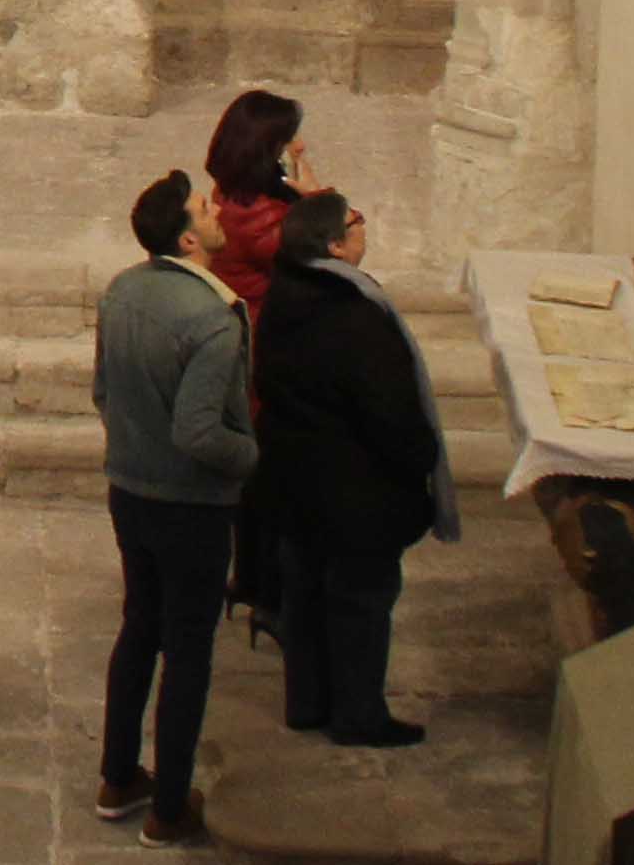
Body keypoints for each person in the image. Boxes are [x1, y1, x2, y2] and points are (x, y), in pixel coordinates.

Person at [254, 191, 457, 746]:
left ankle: (307, 703)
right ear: (336, 245)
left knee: (306, 596)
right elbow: (390, 412)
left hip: (296, 481)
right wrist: (421, 460)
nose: (364, 227)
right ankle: (357, 715)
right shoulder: (354, 316)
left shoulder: (285, 297)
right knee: (359, 605)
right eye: (356, 222)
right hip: (355, 494)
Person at [97, 169, 259, 845]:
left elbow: (105, 393)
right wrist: (253, 459)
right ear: (191, 239)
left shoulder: (122, 291)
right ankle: (168, 810)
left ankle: (117, 778)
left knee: (140, 626)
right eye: (204, 207)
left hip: (129, 489)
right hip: (191, 504)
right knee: (188, 652)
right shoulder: (211, 319)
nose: (217, 209)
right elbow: (199, 432)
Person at [201, 86, 315, 309]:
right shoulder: (259, 218)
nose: (300, 146)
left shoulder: (233, 189)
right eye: (290, 139)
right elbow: (337, 255)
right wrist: (316, 196)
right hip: (265, 332)